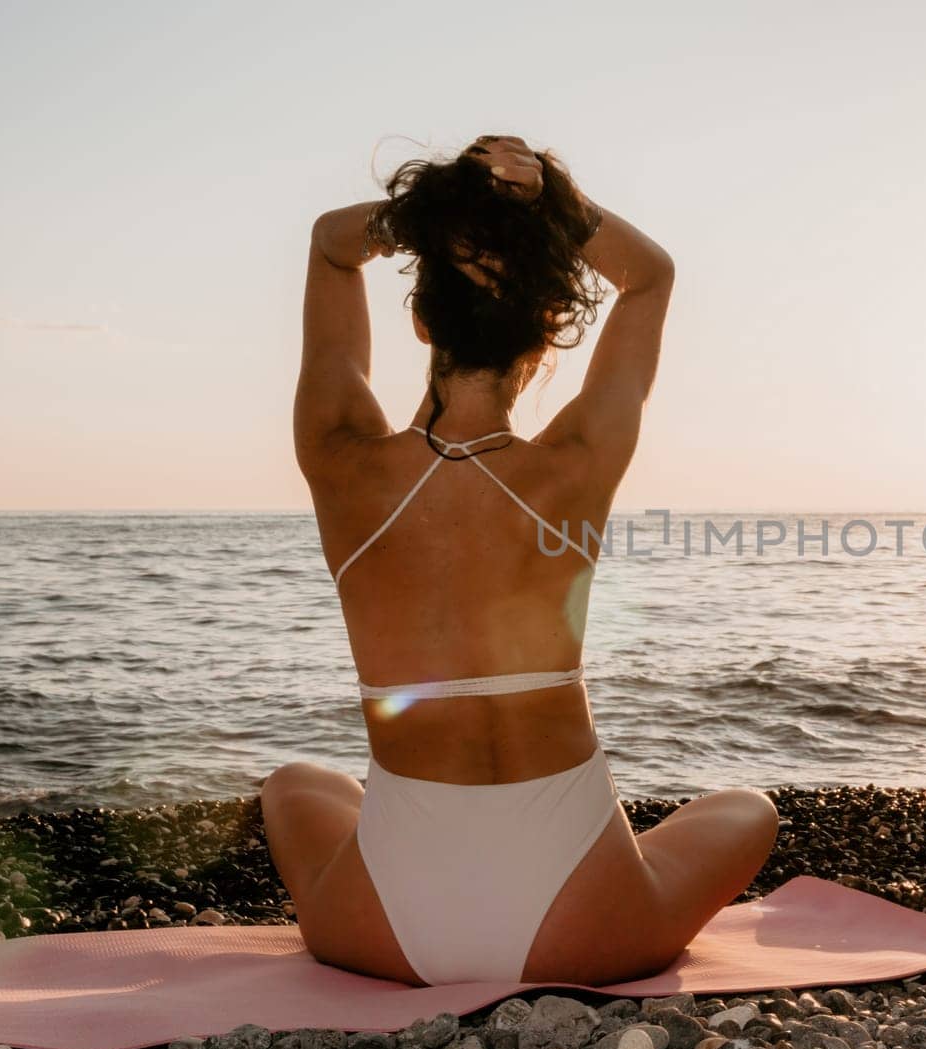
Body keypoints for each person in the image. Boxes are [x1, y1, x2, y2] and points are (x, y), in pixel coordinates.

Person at [260, 134, 779, 986]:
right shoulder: (573, 466)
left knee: (294, 784)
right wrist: (553, 207)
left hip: (386, 932)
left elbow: (329, 242)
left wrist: (428, 215)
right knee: (747, 808)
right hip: (589, 927)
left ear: (422, 321)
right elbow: (650, 275)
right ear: (545, 331)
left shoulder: (341, 459)